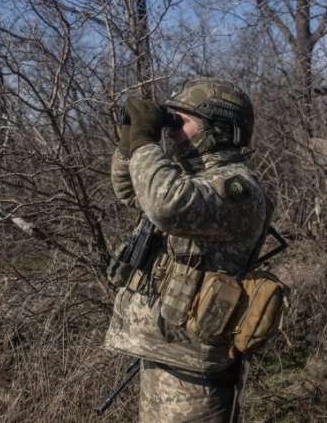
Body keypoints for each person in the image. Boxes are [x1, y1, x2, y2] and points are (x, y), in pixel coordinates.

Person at [105, 78, 273, 422]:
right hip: (162, 352)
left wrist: (144, 143)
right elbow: (128, 190)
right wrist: (129, 144)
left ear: (219, 129)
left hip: (197, 372)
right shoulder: (187, 178)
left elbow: (165, 204)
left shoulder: (236, 187)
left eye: (182, 121)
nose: (172, 130)